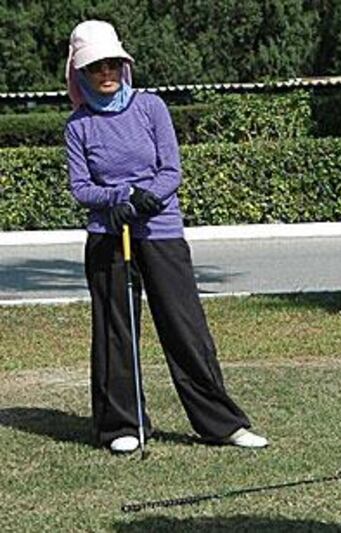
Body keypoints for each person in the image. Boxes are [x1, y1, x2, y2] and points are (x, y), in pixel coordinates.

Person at [64, 20, 267, 454]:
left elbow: (170, 169)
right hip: (108, 236)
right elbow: (81, 188)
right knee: (115, 333)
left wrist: (144, 199)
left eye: (113, 64)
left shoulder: (151, 107)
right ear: (81, 72)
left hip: (160, 231)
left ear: (124, 66)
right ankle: (121, 425)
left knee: (185, 327)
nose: (106, 73)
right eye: (96, 66)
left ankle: (221, 424)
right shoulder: (78, 126)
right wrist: (117, 198)